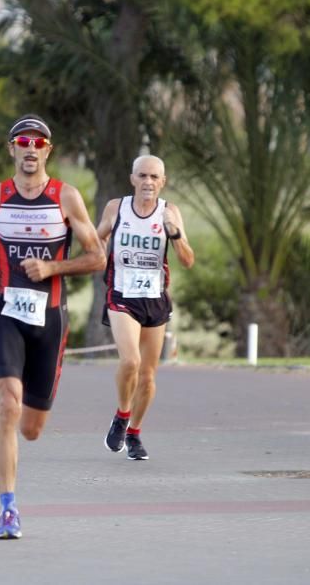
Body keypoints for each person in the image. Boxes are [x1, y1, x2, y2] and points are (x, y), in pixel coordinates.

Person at [0, 114, 105, 539]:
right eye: (23, 142)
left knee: (31, 429)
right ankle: (8, 509)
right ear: (11, 149)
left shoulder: (66, 198)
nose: (31, 149)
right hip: (7, 313)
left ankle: (19, 446)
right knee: (7, 406)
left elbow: (97, 258)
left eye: (39, 143)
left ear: (48, 151)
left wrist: (53, 265)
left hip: (50, 319)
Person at [97, 155, 195, 460]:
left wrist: (174, 234)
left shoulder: (170, 212)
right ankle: (122, 415)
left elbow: (188, 260)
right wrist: (99, 250)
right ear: (133, 179)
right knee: (130, 362)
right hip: (121, 294)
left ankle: (135, 433)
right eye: (142, 176)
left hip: (154, 298)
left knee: (149, 376)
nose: (148, 182)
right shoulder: (117, 208)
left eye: (154, 177)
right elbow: (95, 240)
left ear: (162, 182)